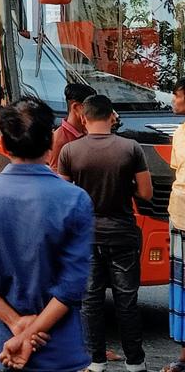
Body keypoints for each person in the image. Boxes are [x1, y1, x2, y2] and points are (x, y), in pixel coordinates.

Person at [0, 96, 93, 372]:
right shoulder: (75, 199)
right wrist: (31, 333)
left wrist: (17, 325)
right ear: (51, 144)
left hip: (5, 343)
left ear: (4, 146)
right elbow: (71, 286)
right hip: (57, 345)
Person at [57, 94, 151, 372]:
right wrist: (125, 186)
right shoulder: (131, 148)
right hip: (122, 235)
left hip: (86, 237)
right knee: (127, 303)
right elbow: (146, 193)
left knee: (91, 302)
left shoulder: (70, 151)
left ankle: (96, 362)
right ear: (112, 116)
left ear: (84, 118)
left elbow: (65, 198)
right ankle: (135, 363)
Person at [162, 78, 185, 372]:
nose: (172, 101)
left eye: (177, 96)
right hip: (179, 214)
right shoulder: (179, 132)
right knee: (181, 286)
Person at [48, 83, 97, 169]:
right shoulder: (59, 141)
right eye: (91, 107)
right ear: (76, 107)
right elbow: (58, 177)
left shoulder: (88, 131)